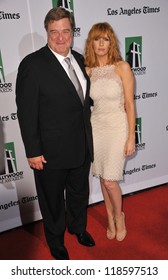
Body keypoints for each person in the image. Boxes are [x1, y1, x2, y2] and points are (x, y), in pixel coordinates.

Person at [15, 7, 95, 260]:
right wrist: (33, 151)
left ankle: (78, 228)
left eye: (66, 32)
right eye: (54, 33)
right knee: (51, 201)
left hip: (81, 146)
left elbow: (83, 105)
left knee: (79, 193)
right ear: (46, 33)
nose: (61, 38)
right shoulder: (32, 65)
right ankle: (56, 242)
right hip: (49, 152)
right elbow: (27, 112)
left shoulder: (81, 60)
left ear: (72, 32)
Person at [84, 22, 136, 241]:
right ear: (91, 43)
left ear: (111, 42)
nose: (101, 43)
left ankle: (119, 216)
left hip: (117, 127)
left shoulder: (122, 67)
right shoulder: (88, 71)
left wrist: (131, 136)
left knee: (110, 181)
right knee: (103, 177)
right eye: (97, 39)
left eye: (105, 39)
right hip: (96, 127)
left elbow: (130, 104)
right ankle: (109, 217)